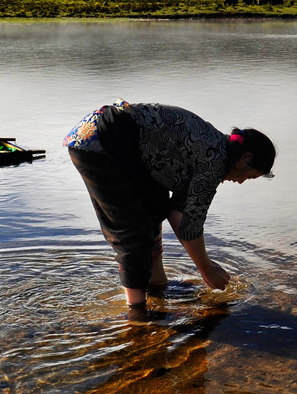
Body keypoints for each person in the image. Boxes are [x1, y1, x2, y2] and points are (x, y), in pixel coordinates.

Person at [65, 99, 276, 318]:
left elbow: (176, 213)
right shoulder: (213, 162)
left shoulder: (214, 148)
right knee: (132, 230)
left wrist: (205, 266)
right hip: (100, 143)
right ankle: (136, 315)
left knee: (154, 206)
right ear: (245, 158)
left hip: (111, 141)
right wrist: (207, 270)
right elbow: (188, 224)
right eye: (247, 176)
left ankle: (157, 285)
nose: (241, 182)